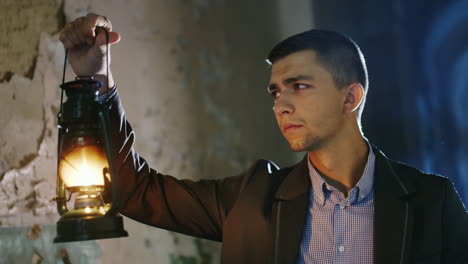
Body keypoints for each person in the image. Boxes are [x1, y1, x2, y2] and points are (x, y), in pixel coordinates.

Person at [59, 13, 468, 264]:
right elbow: (134, 191)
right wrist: (96, 80)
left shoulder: (432, 201)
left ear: (351, 96)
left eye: (299, 86)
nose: (281, 105)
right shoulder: (252, 199)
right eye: (276, 91)